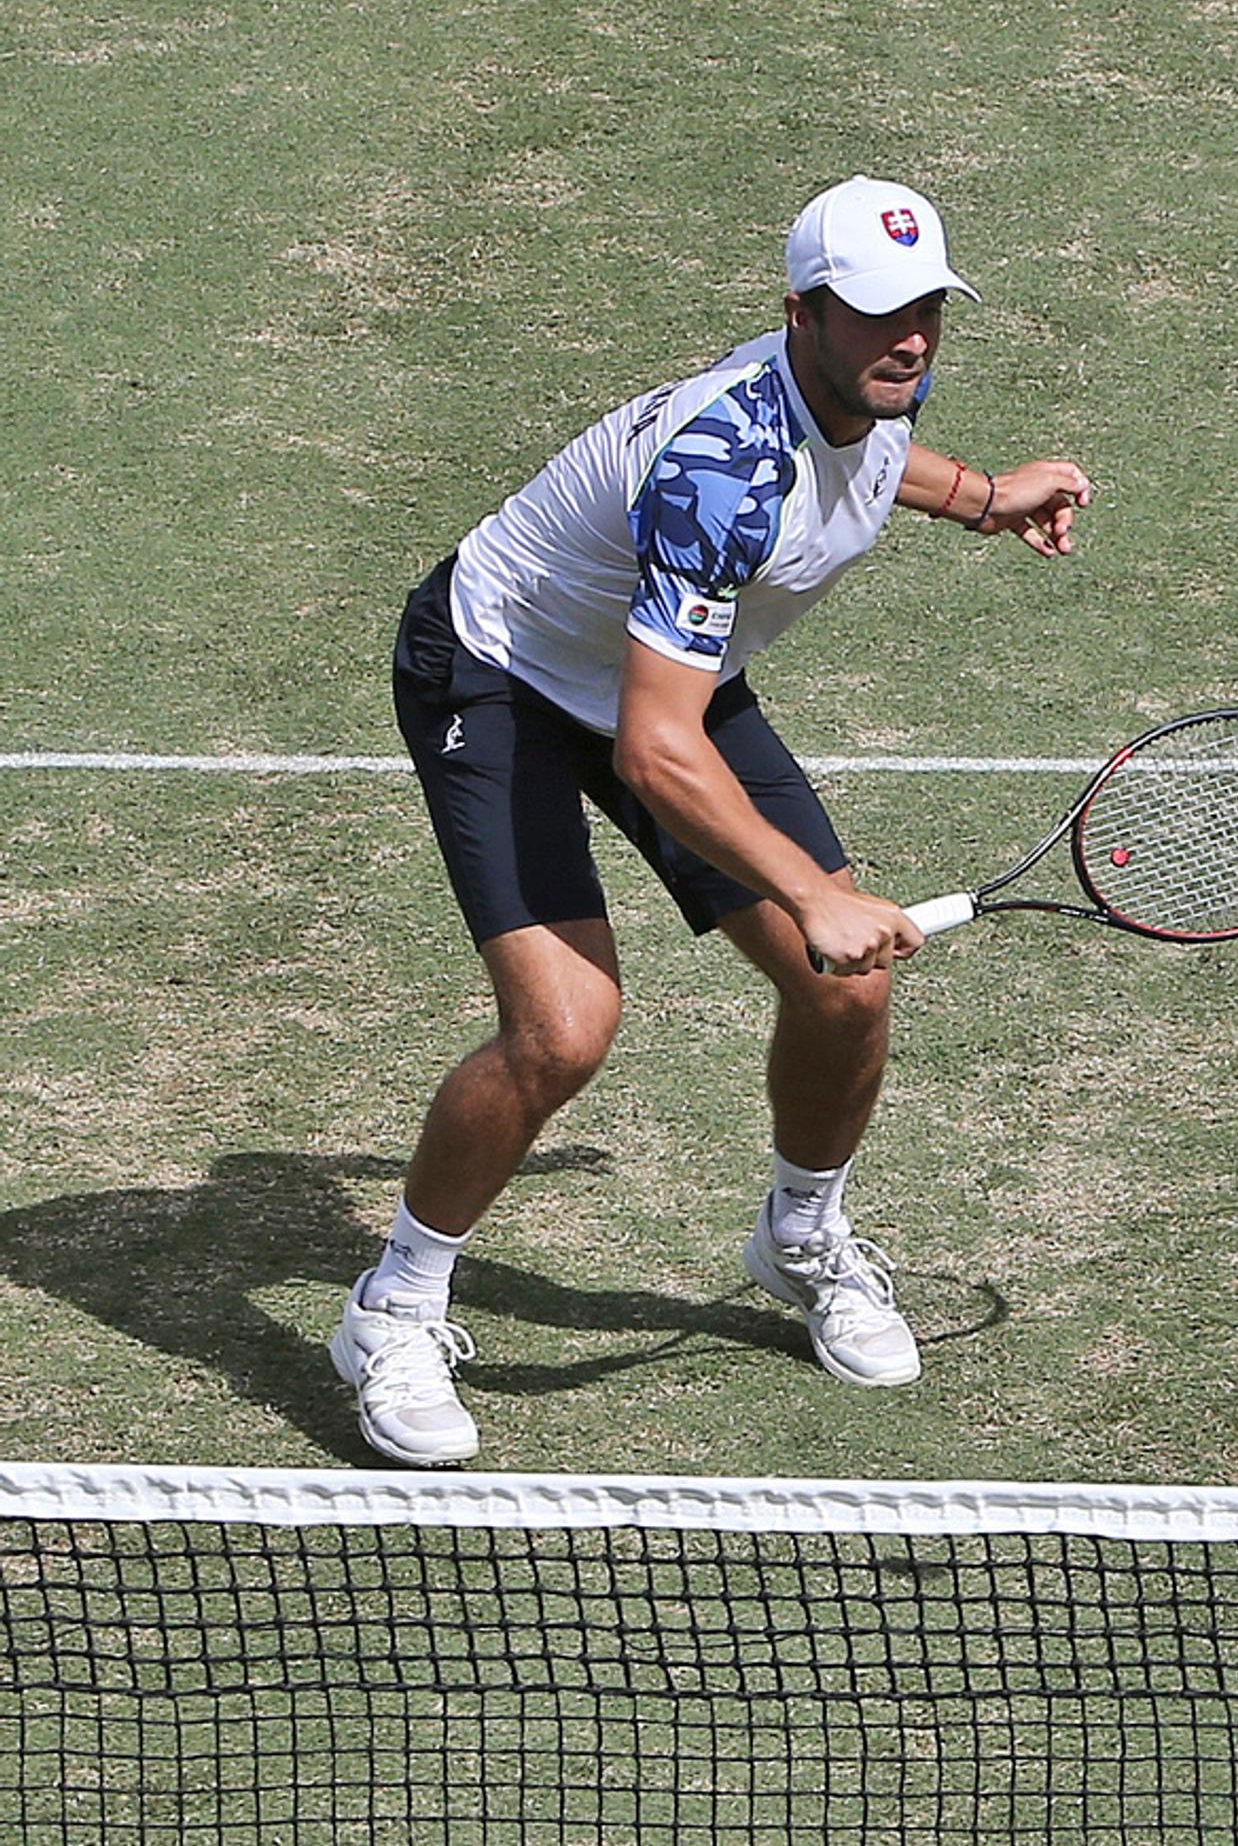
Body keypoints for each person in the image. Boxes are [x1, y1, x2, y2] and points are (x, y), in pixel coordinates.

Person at [336, 176, 1094, 1466]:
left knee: (846, 992)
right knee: (564, 1031)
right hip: (502, 671)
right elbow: (656, 751)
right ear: (801, 314)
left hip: (662, 672)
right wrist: (815, 895)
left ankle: (800, 1237)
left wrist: (983, 496)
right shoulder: (719, 467)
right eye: (875, 313)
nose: (910, 337)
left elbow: (868, 458)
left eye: (926, 307)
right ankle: (392, 1308)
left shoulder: (874, 378)